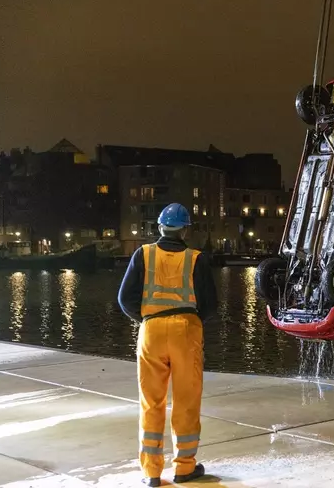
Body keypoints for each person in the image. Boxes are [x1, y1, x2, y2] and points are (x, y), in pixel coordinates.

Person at [118, 203, 218, 487]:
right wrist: (190, 320)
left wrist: (147, 318)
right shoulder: (196, 258)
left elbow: (125, 299)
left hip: (151, 329)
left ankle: (151, 472)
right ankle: (184, 467)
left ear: (160, 227)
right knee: (186, 400)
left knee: (151, 402)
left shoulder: (143, 254)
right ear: (185, 229)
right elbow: (210, 304)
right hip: (185, 330)